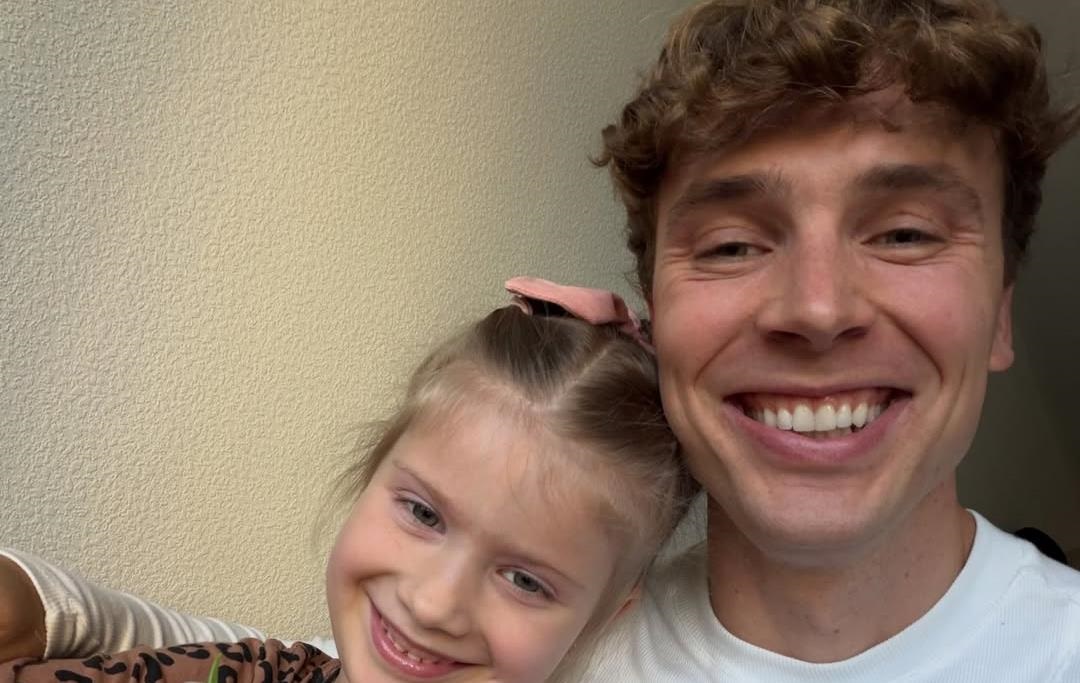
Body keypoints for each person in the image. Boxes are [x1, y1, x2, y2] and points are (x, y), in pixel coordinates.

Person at [4, 0, 1080, 680]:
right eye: (732, 243)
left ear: (1000, 311)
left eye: (903, 232)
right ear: (659, 318)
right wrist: (46, 601)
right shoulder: (552, 646)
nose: (815, 304)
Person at [0, 278, 697, 683]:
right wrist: (46, 599)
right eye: (423, 514)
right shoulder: (305, 667)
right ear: (370, 478)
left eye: (525, 580)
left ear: (608, 615)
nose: (432, 602)